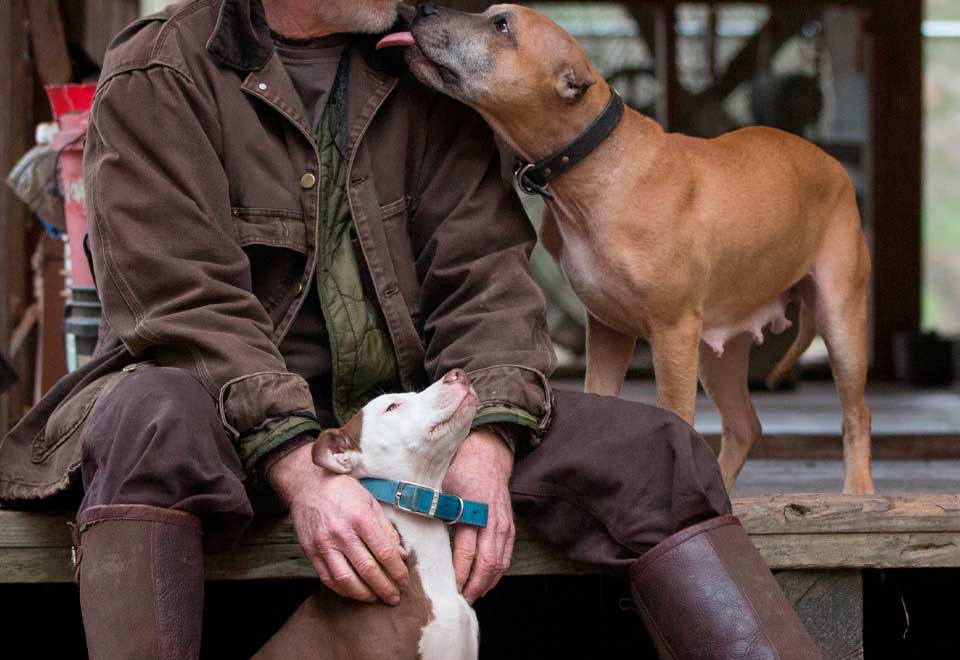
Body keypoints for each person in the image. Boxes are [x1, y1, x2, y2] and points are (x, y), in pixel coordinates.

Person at [0, 1, 822, 658]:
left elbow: (489, 279)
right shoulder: (158, 73)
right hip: (230, 421)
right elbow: (182, 306)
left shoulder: (425, 75)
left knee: (657, 452)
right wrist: (298, 463)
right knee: (150, 417)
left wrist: (488, 434)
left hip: (411, 423)